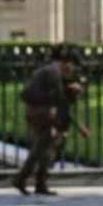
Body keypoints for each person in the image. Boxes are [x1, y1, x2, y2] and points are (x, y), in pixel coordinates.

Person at [14, 44, 89, 196]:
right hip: (40, 114)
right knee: (42, 148)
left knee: (45, 149)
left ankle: (38, 183)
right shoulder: (53, 73)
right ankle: (22, 179)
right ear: (66, 62)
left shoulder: (51, 72)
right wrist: (79, 126)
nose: (73, 70)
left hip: (39, 113)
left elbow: (60, 99)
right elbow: (60, 101)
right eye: (73, 66)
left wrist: (71, 92)